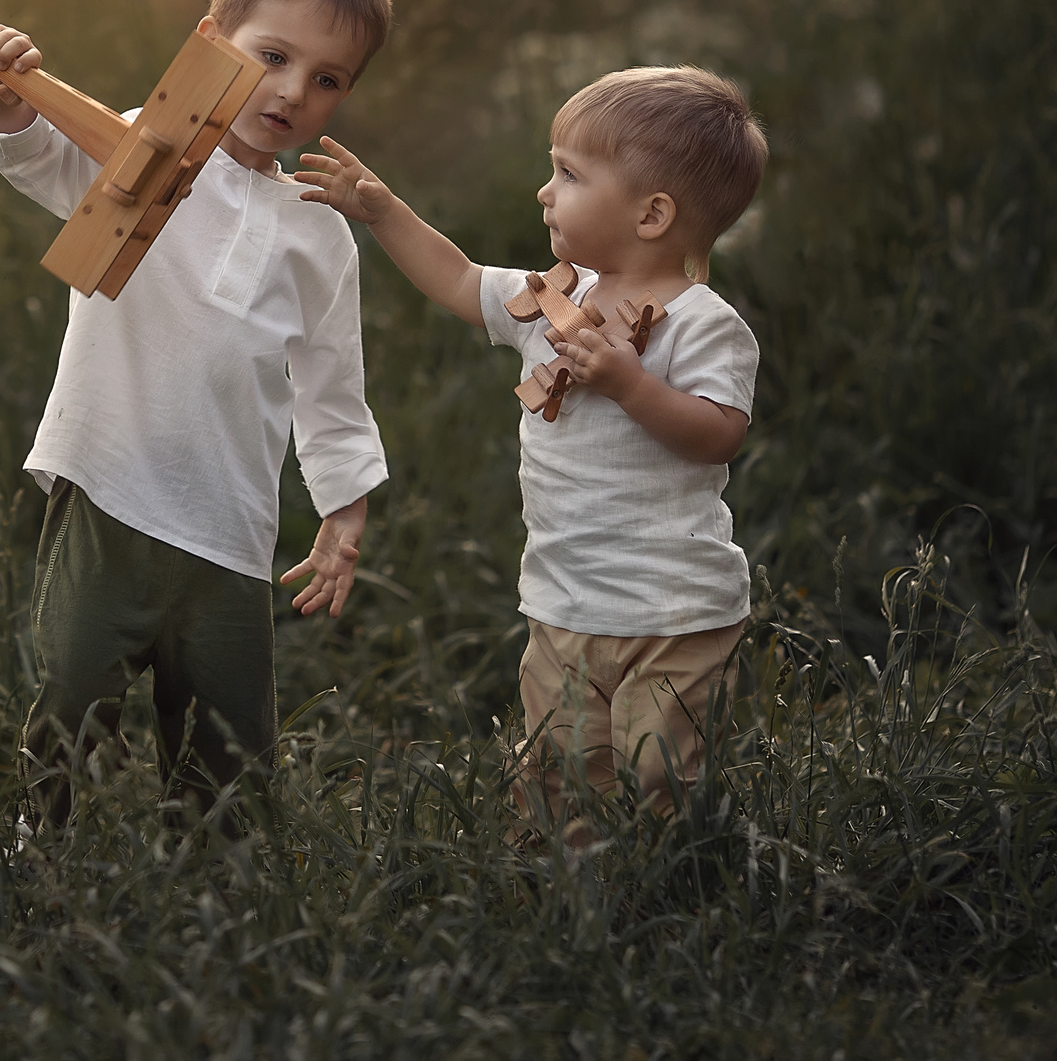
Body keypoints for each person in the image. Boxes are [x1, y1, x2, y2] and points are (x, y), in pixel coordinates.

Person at [0, 0, 392, 831]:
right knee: (72, 688)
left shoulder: (318, 234)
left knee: (227, 743)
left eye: (327, 80)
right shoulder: (143, 142)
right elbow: (38, 158)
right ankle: (39, 850)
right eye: (271, 56)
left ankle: (217, 891)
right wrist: (6, 100)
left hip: (230, 525)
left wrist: (344, 512)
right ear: (211, 41)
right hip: (110, 485)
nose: (291, 92)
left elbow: (332, 385)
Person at [295, 66, 766, 836]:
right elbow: (458, 278)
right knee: (560, 766)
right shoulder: (555, 298)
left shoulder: (704, 324)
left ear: (652, 214)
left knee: (660, 769)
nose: (546, 191)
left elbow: (720, 431)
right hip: (564, 597)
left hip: (675, 608)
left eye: (570, 174)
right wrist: (381, 212)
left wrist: (628, 384)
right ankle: (564, 890)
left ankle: (665, 884)